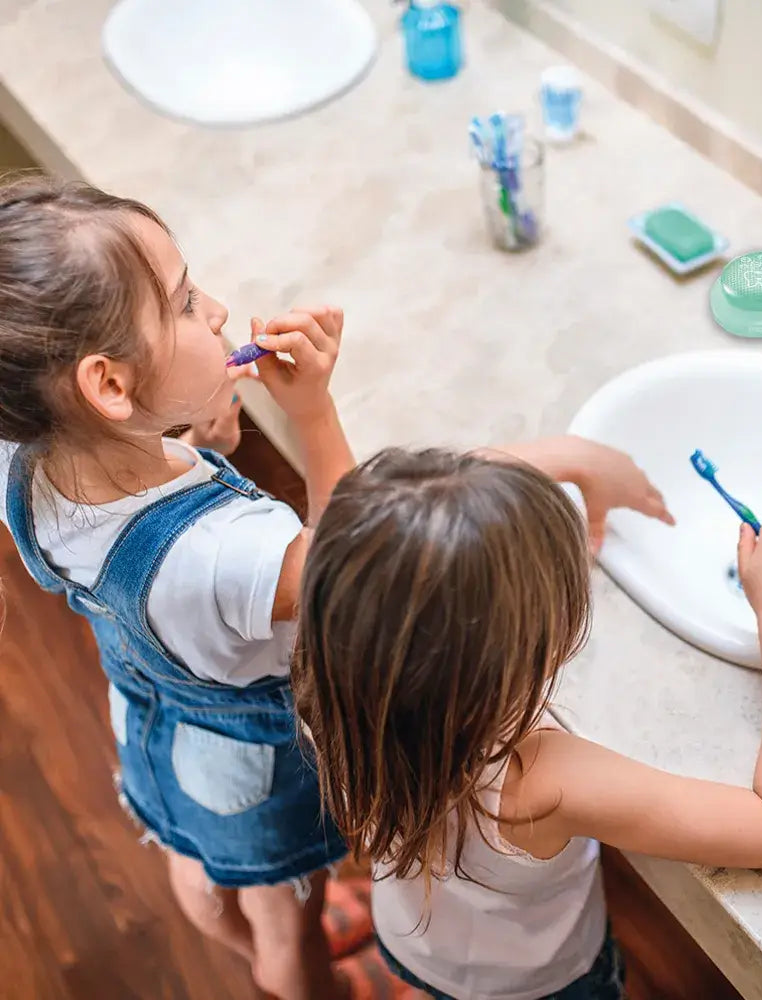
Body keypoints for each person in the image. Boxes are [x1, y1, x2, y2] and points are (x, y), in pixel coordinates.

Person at [0, 174, 668, 999]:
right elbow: (370, 540)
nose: (214, 310)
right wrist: (319, 413)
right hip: (250, 767)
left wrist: (175, 421)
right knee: (287, 920)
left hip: (154, 734)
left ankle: (236, 923)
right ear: (108, 386)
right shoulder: (233, 556)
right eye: (181, 303)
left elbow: (134, 502)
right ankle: (294, 978)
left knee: (201, 868)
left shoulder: (29, 449)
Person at [294, 448, 762, 1000]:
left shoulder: (328, 667)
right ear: (514, 656)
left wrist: (577, 457)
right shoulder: (539, 776)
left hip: (412, 944)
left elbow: (393, 521)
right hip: (538, 986)